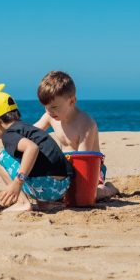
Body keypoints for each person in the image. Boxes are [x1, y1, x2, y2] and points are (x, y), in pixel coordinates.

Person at [0, 84, 75, 212]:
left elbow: (32, 148)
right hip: (64, 186)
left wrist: (18, 182)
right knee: (31, 160)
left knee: (0, 157)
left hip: (47, 186)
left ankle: (22, 202)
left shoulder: (8, 135)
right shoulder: (27, 128)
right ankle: (44, 204)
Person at [34, 71, 119, 200]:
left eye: (54, 107)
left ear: (72, 101)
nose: (50, 112)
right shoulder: (50, 116)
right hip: (65, 168)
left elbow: (84, 162)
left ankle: (110, 189)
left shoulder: (85, 125)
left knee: (89, 195)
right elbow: (32, 132)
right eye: (46, 107)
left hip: (91, 168)